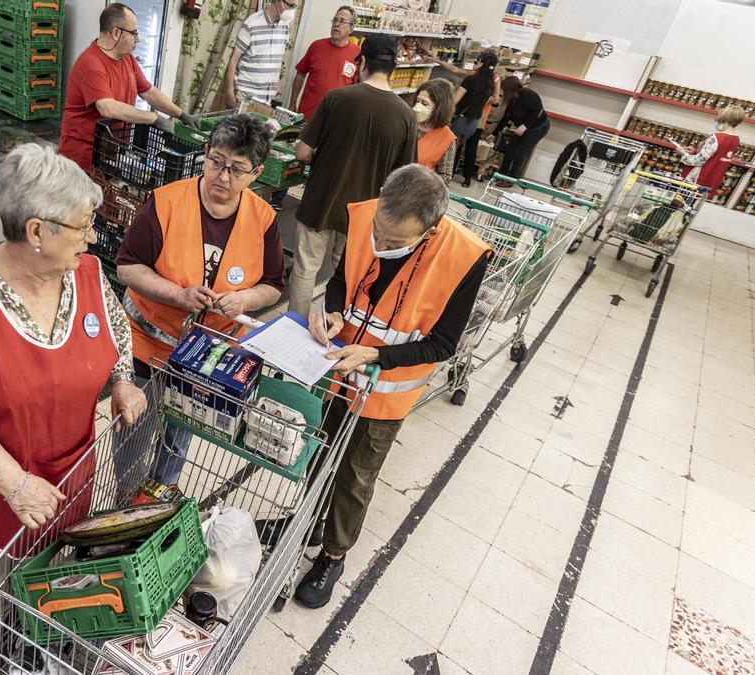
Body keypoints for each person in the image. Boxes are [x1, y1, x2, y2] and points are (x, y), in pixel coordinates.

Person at [0, 144, 147, 673]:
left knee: (59, 544)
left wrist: (122, 381)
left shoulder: (87, 273)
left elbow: (115, 332)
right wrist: (15, 484)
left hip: (69, 452)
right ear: (38, 232)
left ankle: (50, 611)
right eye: (84, 225)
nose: (92, 237)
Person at [293, 164, 491, 609]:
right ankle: (309, 521)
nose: (380, 245)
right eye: (378, 233)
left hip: (387, 391)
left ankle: (333, 554)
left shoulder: (464, 257)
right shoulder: (367, 216)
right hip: (339, 370)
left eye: (395, 243)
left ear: (430, 230)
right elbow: (344, 280)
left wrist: (376, 356)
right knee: (319, 449)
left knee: (356, 475)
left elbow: (441, 344)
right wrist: (335, 313)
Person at [115, 114, 285, 484]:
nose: (223, 177)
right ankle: (124, 502)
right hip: (147, 344)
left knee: (177, 441)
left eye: (237, 169)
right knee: (132, 437)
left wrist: (244, 298)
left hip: (206, 358)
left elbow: (273, 284)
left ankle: (160, 499)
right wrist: (178, 294)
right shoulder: (165, 204)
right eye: (216, 162)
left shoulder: (264, 219)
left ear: (256, 173)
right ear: (205, 154)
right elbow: (127, 268)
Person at [286, 34, 417, 318]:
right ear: (393, 67)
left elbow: (302, 152)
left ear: (363, 63)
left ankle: (293, 327)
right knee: (345, 273)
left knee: (306, 268)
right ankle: (333, 324)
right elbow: (403, 179)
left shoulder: (336, 98)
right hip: (364, 212)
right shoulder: (406, 116)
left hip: (321, 199)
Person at [58, 3, 197, 173]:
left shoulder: (127, 59)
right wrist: (153, 118)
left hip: (108, 156)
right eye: (134, 33)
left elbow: (148, 91)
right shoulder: (91, 63)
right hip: (80, 162)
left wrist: (181, 114)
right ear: (116, 33)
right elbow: (107, 108)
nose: (137, 39)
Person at [433, 48, 501, 185]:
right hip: (474, 122)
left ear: (481, 62)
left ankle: (439, 179)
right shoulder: (491, 83)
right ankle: (463, 179)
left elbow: (455, 100)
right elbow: (495, 100)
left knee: (447, 150)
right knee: (464, 148)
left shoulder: (471, 79)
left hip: (460, 119)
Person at [223, 0, 299, 108]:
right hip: (245, 97)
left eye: (294, 7)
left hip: (267, 100)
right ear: (277, 1)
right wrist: (229, 91)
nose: (292, 10)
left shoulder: (285, 26)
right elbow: (233, 61)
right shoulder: (252, 24)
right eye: (290, 5)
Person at [291, 6, 360, 119]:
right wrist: (292, 103)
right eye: (335, 20)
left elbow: (357, 89)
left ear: (351, 28)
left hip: (335, 119)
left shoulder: (357, 53)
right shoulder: (316, 46)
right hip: (308, 115)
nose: (336, 24)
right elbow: (300, 74)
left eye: (342, 21)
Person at [493, 75, 550, 182]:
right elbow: (506, 117)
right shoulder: (512, 99)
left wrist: (525, 126)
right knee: (510, 149)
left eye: (504, 89)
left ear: (510, 89)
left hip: (538, 127)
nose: (503, 92)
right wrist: (494, 133)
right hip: (523, 127)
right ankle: (502, 175)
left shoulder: (528, 95)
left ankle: (512, 179)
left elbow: (538, 111)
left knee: (520, 153)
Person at [677, 105, 744, 192]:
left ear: (726, 121)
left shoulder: (717, 137)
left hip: (696, 179)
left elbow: (698, 161)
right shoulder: (735, 139)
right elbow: (717, 155)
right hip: (712, 178)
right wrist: (696, 151)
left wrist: (683, 153)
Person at [413, 79, 458, 182]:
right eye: (417, 101)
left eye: (424, 103)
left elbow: (444, 178)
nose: (418, 107)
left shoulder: (447, 139)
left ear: (439, 108)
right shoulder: (407, 123)